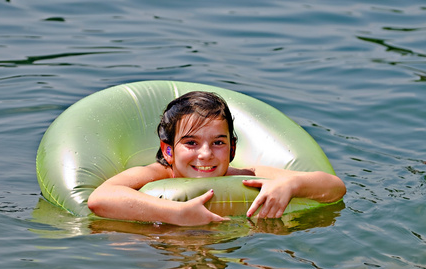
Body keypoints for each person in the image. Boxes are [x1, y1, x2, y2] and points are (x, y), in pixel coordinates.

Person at [88, 91, 346, 226]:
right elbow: (100, 199)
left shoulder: (244, 175)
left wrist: (292, 184)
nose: (205, 154)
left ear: (232, 149)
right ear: (168, 151)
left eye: (218, 143)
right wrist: (177, 214)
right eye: (191, 143)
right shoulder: (159, 173)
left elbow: (334, 188)